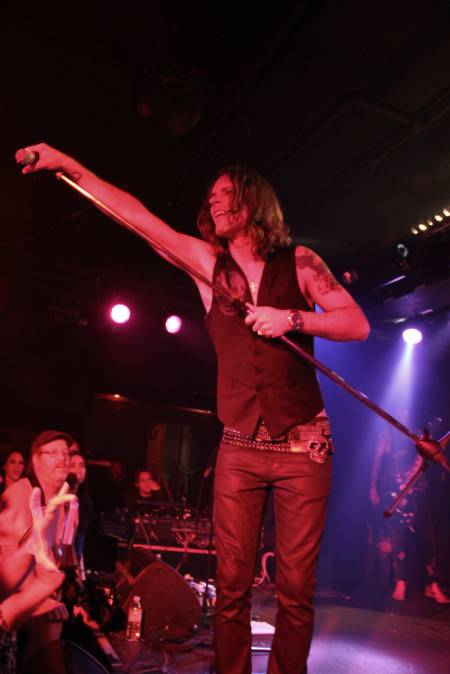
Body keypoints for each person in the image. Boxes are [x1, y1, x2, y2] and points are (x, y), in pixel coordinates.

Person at [16, 143, 370, 674]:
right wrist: (69, 165)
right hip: (240, 447)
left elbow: (356, 323)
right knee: (231, 585)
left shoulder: (298, 262)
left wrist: (293, 319)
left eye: (226, 193)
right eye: (211, 197)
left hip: (304, 446)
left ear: (253, 200)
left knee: (296, 589)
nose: (215, 202)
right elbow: (139, 218)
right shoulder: (209, 266)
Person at [0, 429, 77, 673]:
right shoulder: (18, 496)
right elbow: (6, 572)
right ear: (35, 460)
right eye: (53, 453)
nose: (63, 458)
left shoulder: (62, 501)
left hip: (41, 594)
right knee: (49, 630)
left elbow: (60, 562)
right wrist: (41, 599)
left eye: (66, 453)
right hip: (16, 603)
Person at [369, 423, 450, 604]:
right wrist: (372, 486)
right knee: (398, 537)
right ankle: (401, 581)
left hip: (418, 492)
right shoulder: (387, 437)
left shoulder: (419, 434)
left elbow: (430, 456)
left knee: (427, 539)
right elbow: (377, 462)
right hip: (395, 492)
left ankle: (432, 584)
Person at [68, 451, 93, 567]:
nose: (78, 469)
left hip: (76, 551)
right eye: (73, 465)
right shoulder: (62, 493)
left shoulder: (85, 497)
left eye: (82, 465)